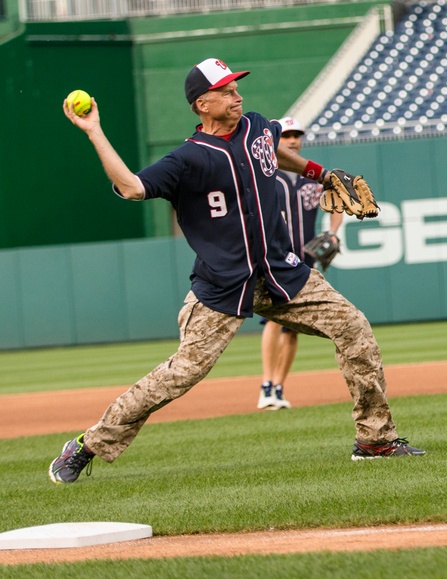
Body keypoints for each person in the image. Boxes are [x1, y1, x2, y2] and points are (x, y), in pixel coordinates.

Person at [50, 58, 424, 484]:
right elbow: (133, 188)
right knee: (182, 373)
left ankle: (375, 440)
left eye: (235, 87)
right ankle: (89, 445)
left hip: (284, 274)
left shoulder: (257, 127)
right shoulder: (185, 161)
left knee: (354, 327)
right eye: (226, 91)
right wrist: (94, 131)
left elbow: (273, 152)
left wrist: (319, 174)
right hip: (223, 285)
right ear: (202, 105)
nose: (237, 95)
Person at [257, 116, 343, 410]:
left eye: (296, 135)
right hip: (276, 259)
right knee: (272, 319)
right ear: (275, 141)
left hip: (304, 260)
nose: (293, 140)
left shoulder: (311, 176)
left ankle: (279, 387)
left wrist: (332, 232)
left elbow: (338, 201)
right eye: (286, 135)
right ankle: (266, 384)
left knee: (293, 327)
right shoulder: (267, 175)